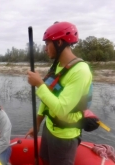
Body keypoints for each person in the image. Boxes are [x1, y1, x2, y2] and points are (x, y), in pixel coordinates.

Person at [26, 21, 93, 165]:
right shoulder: (57, 65)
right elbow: (48, 97)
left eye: (47, 43)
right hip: (49, 128)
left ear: (60, 42)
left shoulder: (81, 71)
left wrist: (39, 84)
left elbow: (62, 109)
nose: (45, 48)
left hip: (65, 136)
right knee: (45, 160)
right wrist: (38, 123)